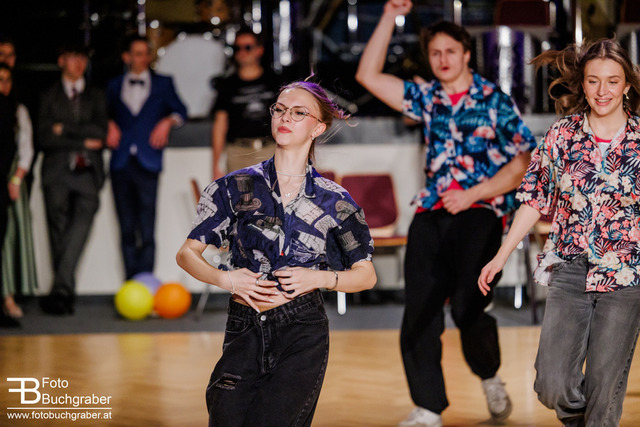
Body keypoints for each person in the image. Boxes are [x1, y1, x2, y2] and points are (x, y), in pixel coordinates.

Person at [355, 1, 536, 425]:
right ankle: (428, 406)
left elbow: (524, 163)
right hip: (432, 211)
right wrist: (389, 15)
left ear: (467, 54)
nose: (442, 59)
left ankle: (489, 375)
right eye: (435, 53)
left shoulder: (493, 100)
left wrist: (473, 193)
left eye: (450, 51)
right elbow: (368, 76)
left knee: (469, 306)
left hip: (481, 212)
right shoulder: (427, 98)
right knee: (420, 308)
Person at [176, 79, 377, 425]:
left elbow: (366, 275)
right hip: (244, 324)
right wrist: (227, 279)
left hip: (302, 329)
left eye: (299, 113)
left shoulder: (334, 200)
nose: (285, 118)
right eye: (280, 110)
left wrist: (319, 278)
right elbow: (186, 254)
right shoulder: (233, 187)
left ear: (318, 127)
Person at [479, 39, 640, 426]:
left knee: (604, 392)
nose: (602, 91)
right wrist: (501, 255)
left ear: (626, 86)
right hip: (569, 269)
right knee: (551, 384)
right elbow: (534, 199)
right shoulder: (562, 135)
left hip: (626, 274)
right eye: (593, 81)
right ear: (583, 84)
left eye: (612, 81)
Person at [106, 35, 187, 280]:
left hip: (148, 160)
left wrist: (167, 121)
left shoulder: (163, 83)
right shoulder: (113, 85)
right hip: (121, 161)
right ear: (126, 57)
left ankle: (146, 280)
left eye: (146, 53)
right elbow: (101, 113)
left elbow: (181, 110)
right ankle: (131, 282)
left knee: (148, 225)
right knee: (126, 226)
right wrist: (108, 123)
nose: (144, 58)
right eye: (138, 53)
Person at [38, 44, 108, 315]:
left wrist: (64, 128)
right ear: (61, 61)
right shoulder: (48, 95)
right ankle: (63, 294)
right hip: (57, 172)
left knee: (78, 230)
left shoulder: (96, 95)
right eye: (73, 57)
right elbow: (44, 137)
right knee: (58, 232)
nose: (78, 63)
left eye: (82, 58)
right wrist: (81, 139)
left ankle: (60, 292)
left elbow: (100, 133)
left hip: (88, 173)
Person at [211, 27, 282, 179]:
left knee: (272, 194)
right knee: (239, 194)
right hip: (238, 152)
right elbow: (220, 125)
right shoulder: (227, 84)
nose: (242, 52)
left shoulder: (275, 81)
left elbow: (288, 116)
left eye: (248, 47)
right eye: (238, 48)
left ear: (259, 50)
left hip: (270, 149)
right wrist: (216, 165)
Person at [0, 63, 37, 319]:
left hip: (11, 179)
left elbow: (25, 149)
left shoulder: (16, 110)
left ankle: (9, 297)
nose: (3, 85)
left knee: (10, 239)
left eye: (7, 80)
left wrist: (15, 179)